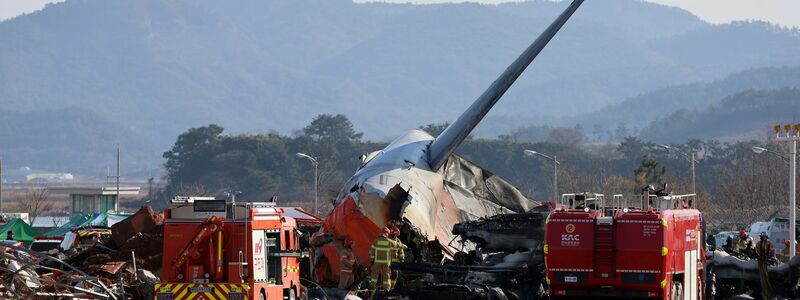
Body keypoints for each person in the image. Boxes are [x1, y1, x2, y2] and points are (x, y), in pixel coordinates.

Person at [755, 232, 775, 299]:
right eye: (761, 236)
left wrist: (772, 257)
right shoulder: (758, 244)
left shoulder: (769, 243)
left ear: (766, 237)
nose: (763, 238)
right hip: (761, 261)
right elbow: (757, 252)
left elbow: (773, 252)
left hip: (768, 262)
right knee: (763, 278)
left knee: (767, 278)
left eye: (764, 236)